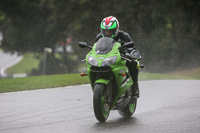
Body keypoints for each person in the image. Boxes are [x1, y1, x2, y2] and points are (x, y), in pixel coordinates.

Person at [95, 16, 140, 98]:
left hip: (121, 56)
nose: (107, 33)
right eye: (105, 31)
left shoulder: (124, 35)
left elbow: (131, 47)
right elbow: (95, 48)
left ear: (116, 29)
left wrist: (132, 53)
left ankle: (135, 87)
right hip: (106, 57)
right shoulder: (99, 37)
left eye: (110, 31)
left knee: (134, 63)